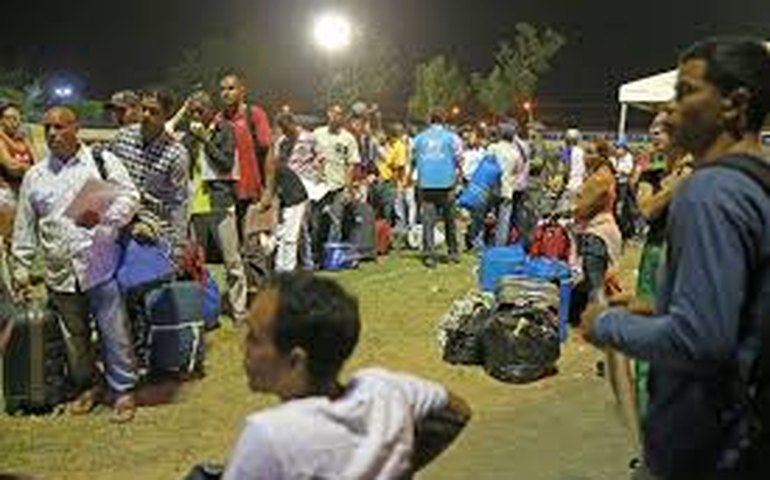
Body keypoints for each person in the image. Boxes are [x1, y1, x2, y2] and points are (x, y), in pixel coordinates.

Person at [581, 38, 770, 479]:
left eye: (686, 92)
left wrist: (606, 325)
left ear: (734, 104)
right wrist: (656, 309)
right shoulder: (756, 181)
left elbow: (700, 341)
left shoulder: (710, 192)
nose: (670, 108)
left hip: (707, 446)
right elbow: (741, 315)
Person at [223, 272, 472, 479]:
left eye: (254, 338)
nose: (244, 348)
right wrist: (399, 464)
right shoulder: (383, 391)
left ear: (296, 361)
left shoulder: (270, 436)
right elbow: (458, 411)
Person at [12, 106, 140, 422]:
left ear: (75, 128)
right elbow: (25, 225)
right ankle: (88, 385)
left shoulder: (100, 161)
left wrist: (104, 217)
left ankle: (123, 389)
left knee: (113, 329)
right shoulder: (35, 176)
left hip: (99, 263)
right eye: (47, 128)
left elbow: (130, 197)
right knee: (74, 336)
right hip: (60, 269)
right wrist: (21, 268)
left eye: (59, 127)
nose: (52, 133)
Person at [182, 91, 248, 324]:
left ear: (211, 111)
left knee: (232, 261)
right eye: (192, 112)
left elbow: (226, 163)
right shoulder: (189, 136)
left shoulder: (225, 130)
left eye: (200, 111)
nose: (196, 116)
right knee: (196, 262)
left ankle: (239, 311)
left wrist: (205, 140)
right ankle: (202, 310)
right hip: (196, 204)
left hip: (220, 202)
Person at [109, 89, 190, 261]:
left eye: (153, 112)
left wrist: (179, 247)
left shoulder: (176, 154)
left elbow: (179, 203)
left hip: (154, 226)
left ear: (167, 115)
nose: (146, 115)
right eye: (143, 109)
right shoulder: (122, 138)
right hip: (118, 219)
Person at [219, 72, 274, 239]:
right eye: (223, 89)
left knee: (254, 243)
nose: (226, 93)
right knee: (233, 244)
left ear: (242, 91)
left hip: (252, 191)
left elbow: (268, 153)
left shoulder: (255, 114)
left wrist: (269, 190)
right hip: (227, 193)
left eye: (231, 88)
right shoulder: (219, 119)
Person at [412, 112, 463, 268]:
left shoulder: (419, 138)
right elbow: (459, 158)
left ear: (429, 121)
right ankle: (453, 252)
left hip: (426, 183)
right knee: (449, 219)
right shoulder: (452, 137)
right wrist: (459, 175)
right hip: (446, 183)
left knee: (428, 221)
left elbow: (413, 158)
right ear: (444, 120)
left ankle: (429, 255)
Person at [274, 113, 321, 270]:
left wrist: (315, 172)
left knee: (301, 226)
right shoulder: (282, 142)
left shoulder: (309, 138)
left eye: (287, 129)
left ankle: (306, 262)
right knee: (294, 227)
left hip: (305, 185)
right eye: (283, 130)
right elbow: (278, 161)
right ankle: (298, 263)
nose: (285, 132)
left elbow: (320, 156)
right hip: (288, 186)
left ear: (293, 124)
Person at [313, 105, 361, 245]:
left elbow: (351, 164)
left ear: (342, 117)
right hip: (319, 186)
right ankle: (316, 250)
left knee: (336, 221)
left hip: (338, 186)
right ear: (328, 114)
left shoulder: (348, 138)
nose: (335, 116)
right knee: (316, 221)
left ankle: (332, 251)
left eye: (339, 114)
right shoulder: (317, 134)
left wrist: (348, 189)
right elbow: (308, 155)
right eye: (333, 113)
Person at [487, 121, 527, 246]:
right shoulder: (515, 153)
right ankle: (500, 246)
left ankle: (484, 242)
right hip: (507, 189)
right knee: (503, 221)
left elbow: (486, 165)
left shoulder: (492, 148)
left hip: (492, 188)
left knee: (488, 216)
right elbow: (518, 170)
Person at [0, 101, 36, 204]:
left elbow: (38, 162)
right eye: (10, 118)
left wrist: (26, 168)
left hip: (26, 187)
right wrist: (29, 168)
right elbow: (12, 168)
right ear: (1, 120)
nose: (15, 122)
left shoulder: (24, 139)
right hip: (7, 191)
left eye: (17, 118)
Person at [613, 140, 638, 241]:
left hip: (625, 185)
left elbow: (628, 170)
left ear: (624, 149)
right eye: (616, 148)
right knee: (619, 208)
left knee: (623, 207)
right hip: (617, 184)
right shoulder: (616, 159)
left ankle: (630, 231)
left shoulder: (628, 158)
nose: (617, 150)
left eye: (619, 148)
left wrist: (618, 170)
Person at [563, 128, 586, 201]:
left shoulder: (568, 152)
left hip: (571, 185)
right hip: (580, 185)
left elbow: (566, 168)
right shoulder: (581, 151)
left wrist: (564, 181)